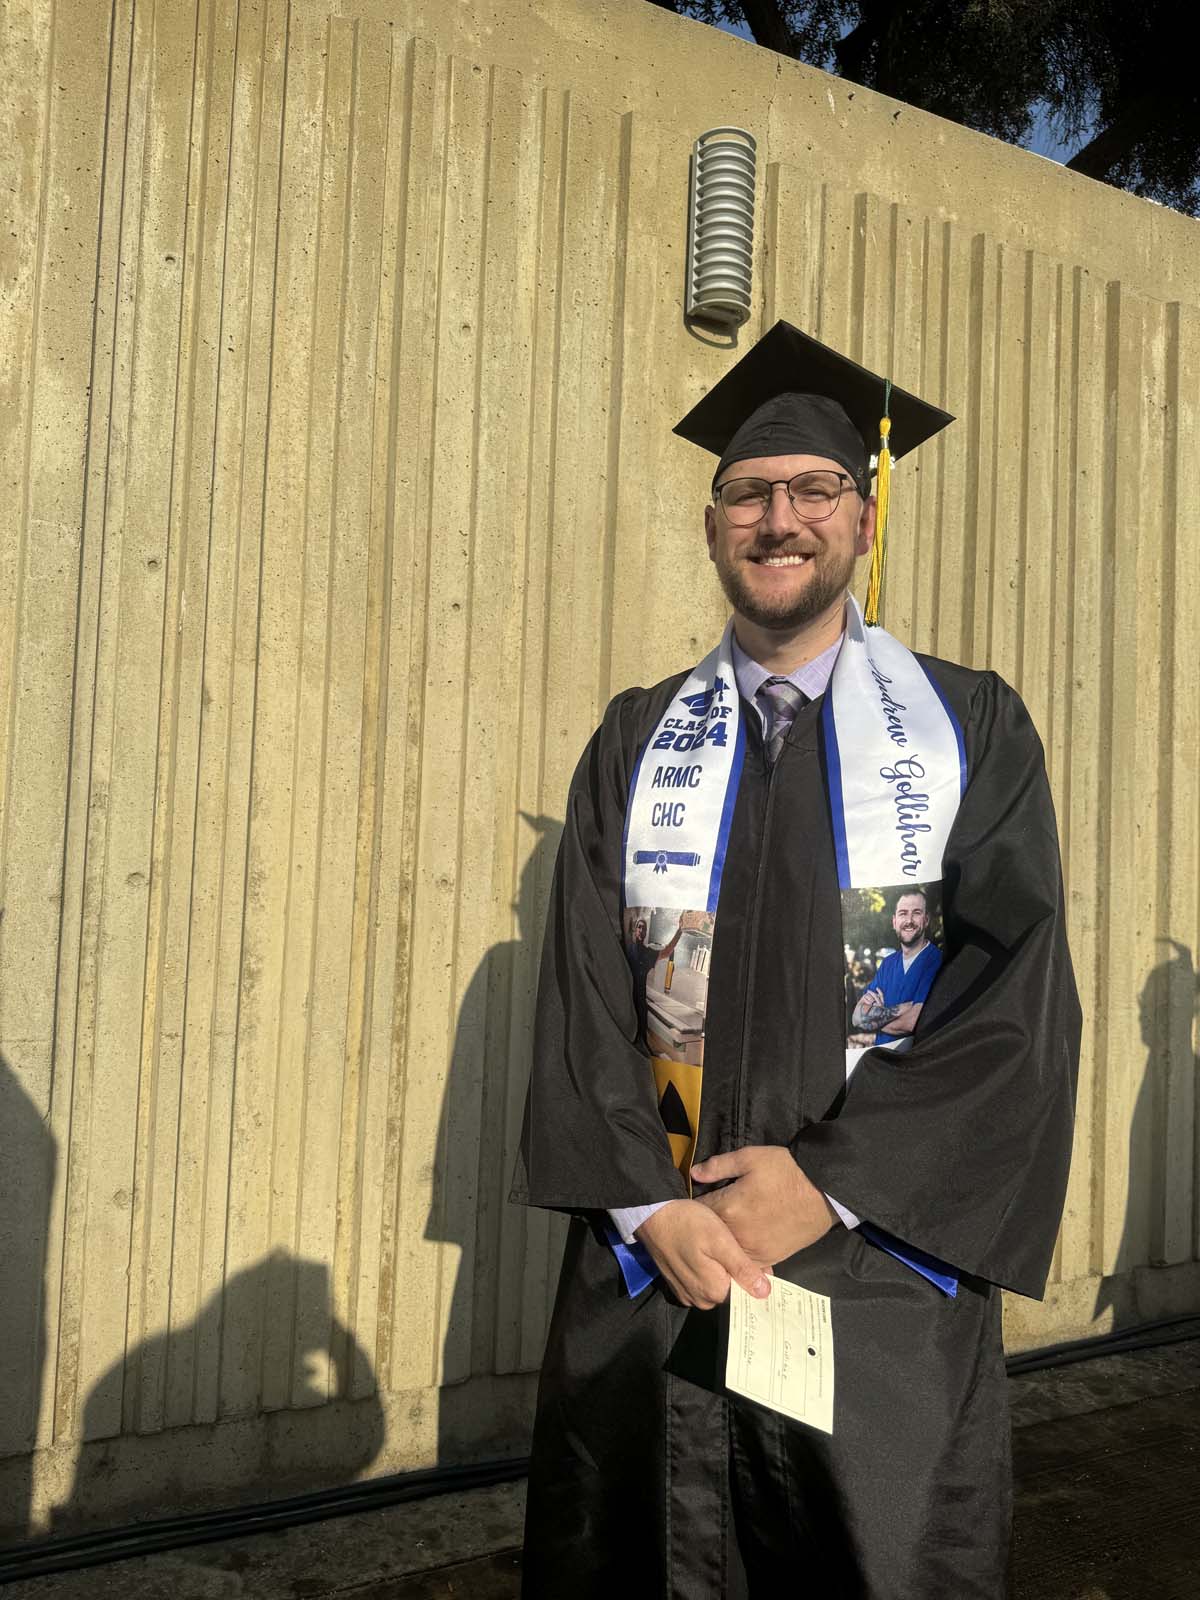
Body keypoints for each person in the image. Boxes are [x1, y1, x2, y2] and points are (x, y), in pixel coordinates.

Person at [512, 322, 1079, 1599]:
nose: (781, 519)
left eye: (814, 490)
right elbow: (583, 996)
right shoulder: (638, 739)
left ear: (863, 518)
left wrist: (828, 1185)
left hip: (871, 1274)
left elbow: (1013, 991)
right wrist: (651, 1206)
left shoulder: (966, 727)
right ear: (715, 524)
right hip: (659, 1263)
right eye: (750, 493)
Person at [852, 888, 941, 1044]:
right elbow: (857, 1018)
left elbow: (912, 1022)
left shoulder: (935, 960)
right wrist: (906, 1007)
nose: (909, 920)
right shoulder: (888, 964)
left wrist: (877, 1017)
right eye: (903, 913)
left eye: (916, 913)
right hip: (881, 1060)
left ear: (926, 920)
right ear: (894, 922)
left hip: (913, 1061)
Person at [625, 912, 684, 1045]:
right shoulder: (627, 949)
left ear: (646, 933)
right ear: (634, 930)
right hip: (626, 1001)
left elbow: (667, 951)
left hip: (639, 1003)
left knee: (641, 1038)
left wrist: (680, 931)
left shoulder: (648, 953)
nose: (641, 930)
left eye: (644, 928)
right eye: (639, 927)